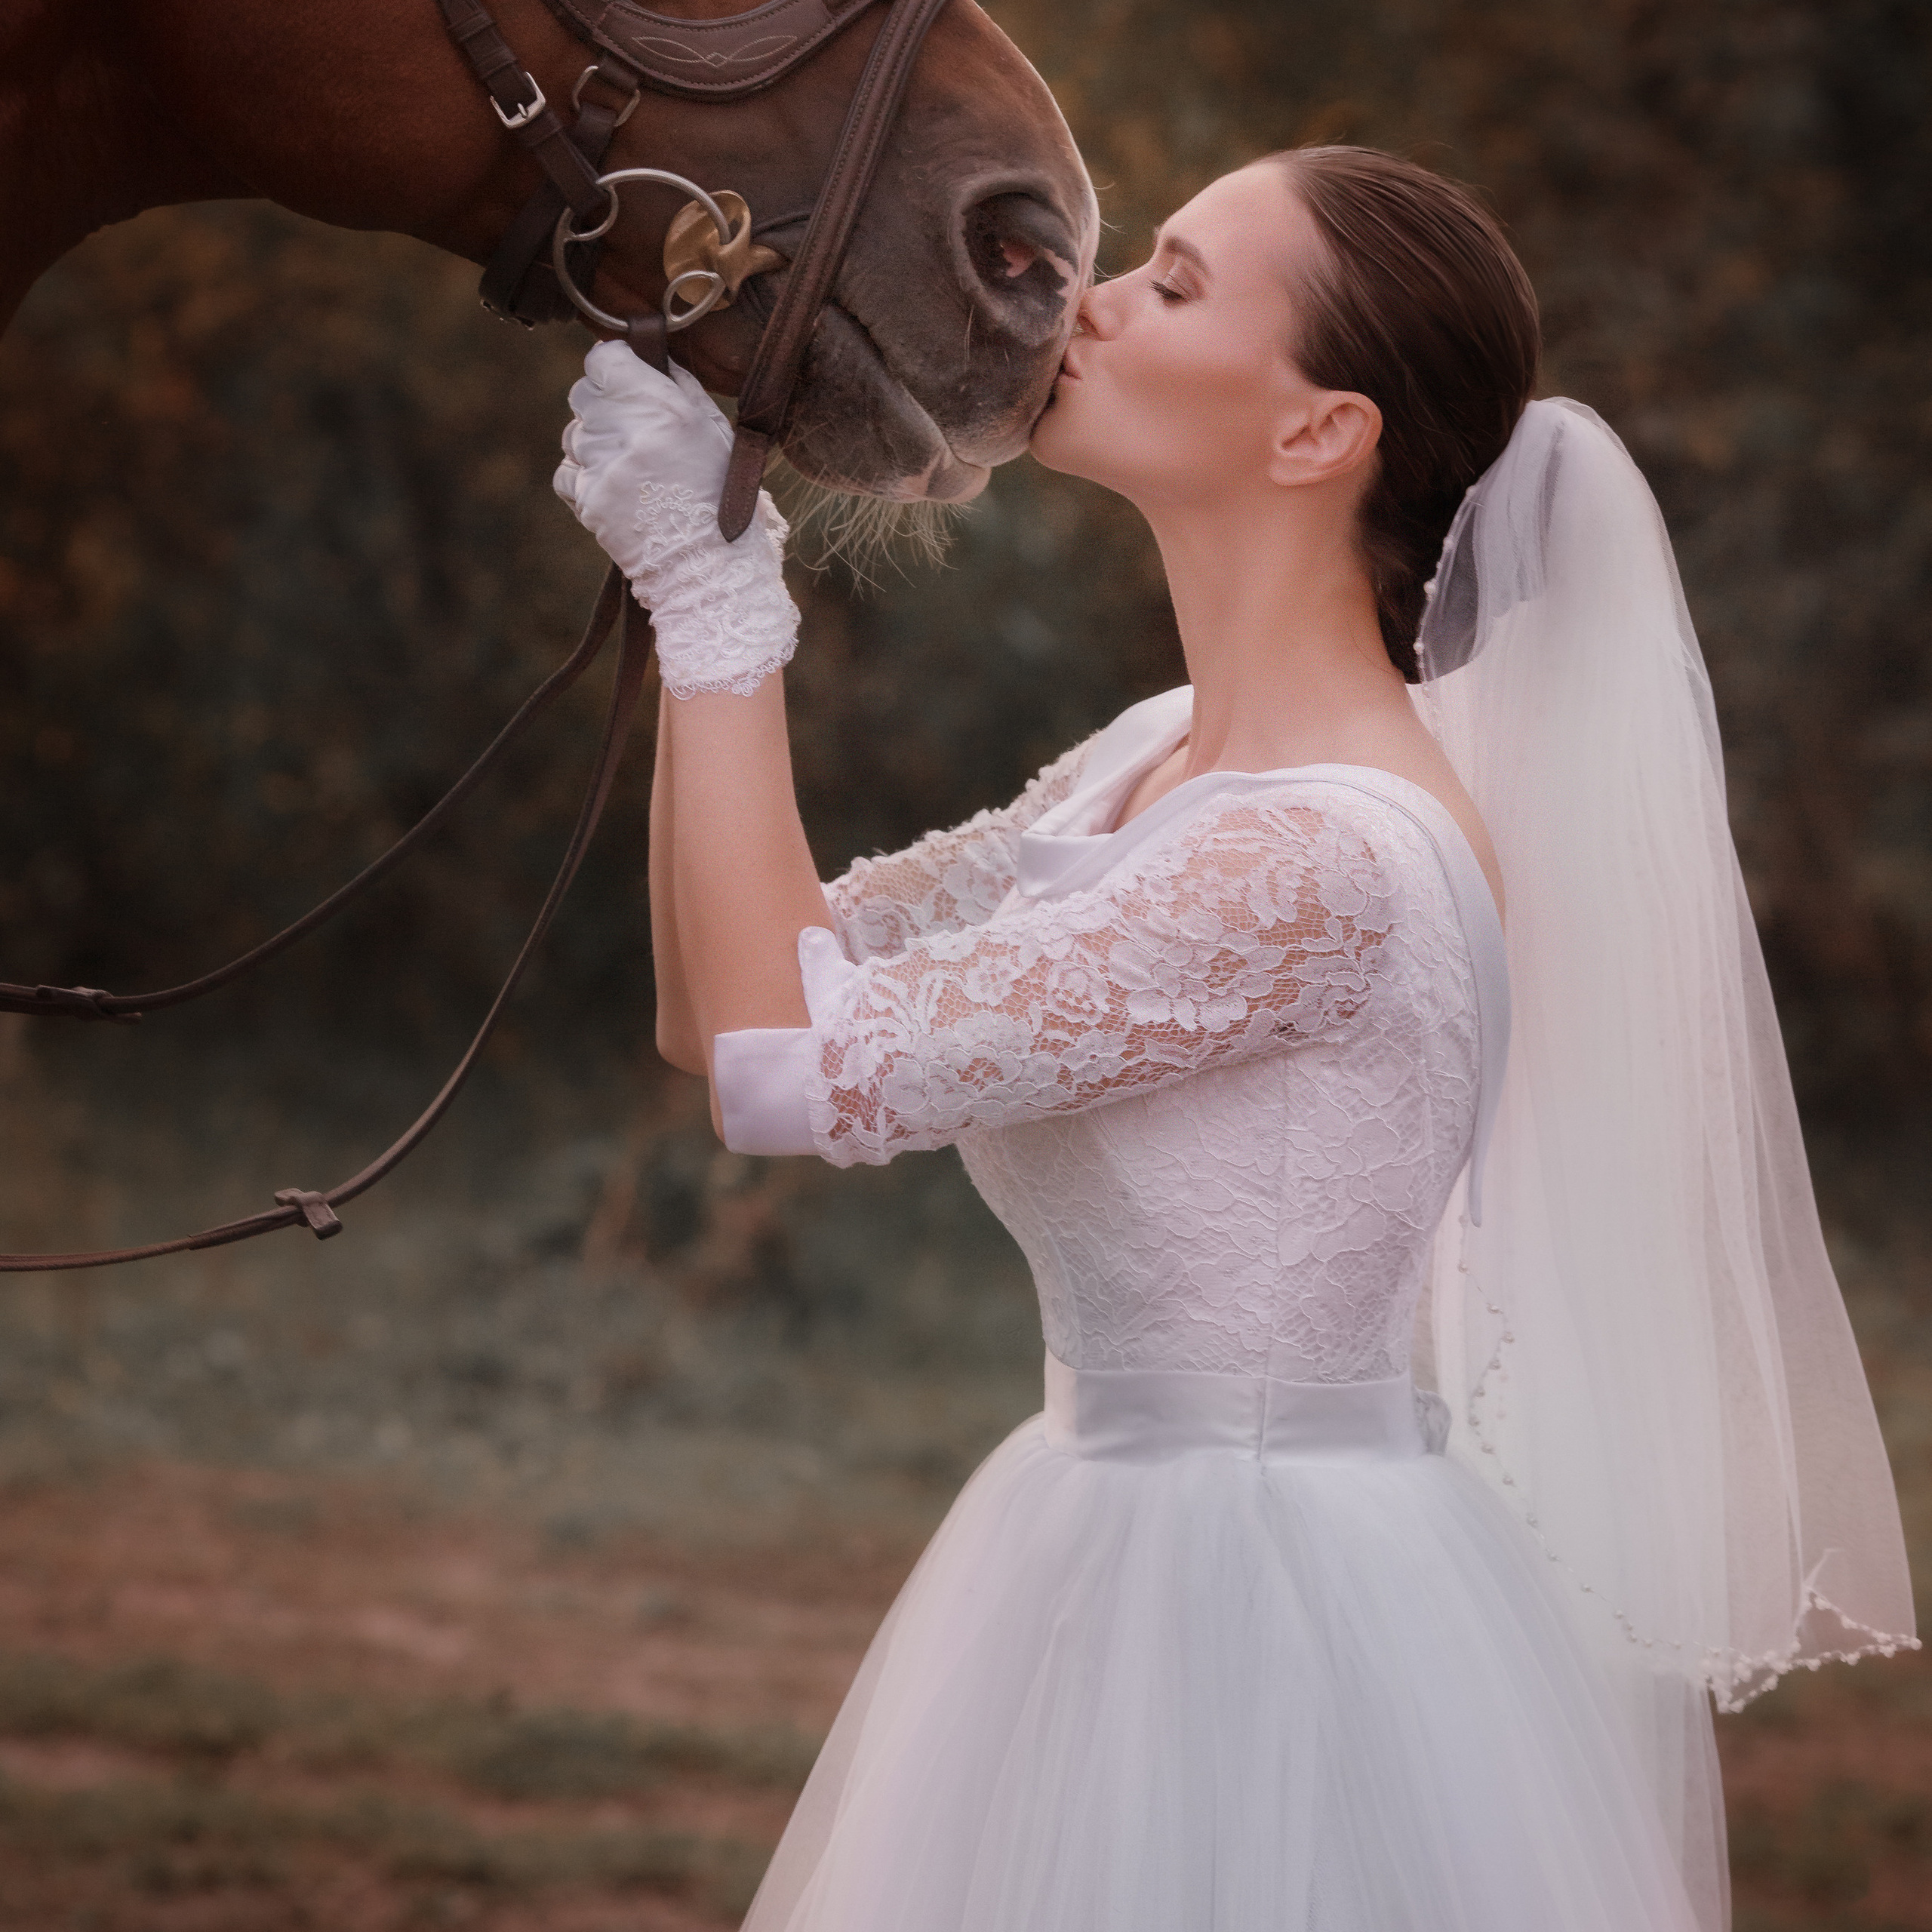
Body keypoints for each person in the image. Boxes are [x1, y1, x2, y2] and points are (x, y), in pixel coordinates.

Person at [553, 146, 1915, 1932]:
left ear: (1311, 435)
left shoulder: (1318, 861)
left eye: (1174, 283)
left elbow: (771, 1063)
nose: (1086, 301)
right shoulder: (1160, 751)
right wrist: (699, 587)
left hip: (1255, 1605)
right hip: (1095, 1529)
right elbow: (725, 1002)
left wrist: (715, 603)